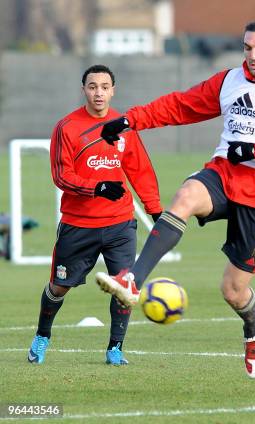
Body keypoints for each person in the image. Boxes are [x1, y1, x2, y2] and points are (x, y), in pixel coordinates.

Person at [94, 20, 255, 379]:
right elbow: (181, 106)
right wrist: (129, 120)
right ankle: (132, 280)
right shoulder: (229, 80)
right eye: (248, 47)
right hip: (224, 173)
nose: (253, 55)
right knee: (185, 195)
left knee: (233, 291)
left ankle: (254, 330)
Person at [27, 64, 162, 366]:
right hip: (79, 226)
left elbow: (140, 171)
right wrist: (97, 187)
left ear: (113, 89)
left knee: (124, 286)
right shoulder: (67, 127)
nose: (98, 92)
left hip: (120, 224)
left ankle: (115, 348)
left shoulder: (124, 126)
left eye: (104, 86)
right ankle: (42, 335)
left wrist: (154, 210)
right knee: (59, 286)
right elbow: (61, 176)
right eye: (92, 86)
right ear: (84, 89)